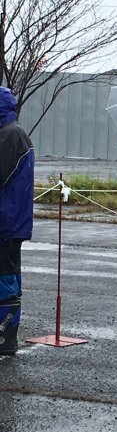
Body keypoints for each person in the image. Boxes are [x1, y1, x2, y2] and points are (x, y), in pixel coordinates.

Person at [0, 86, 35, 356]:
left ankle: (5, 338)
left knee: (5, 280)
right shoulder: (12, 132)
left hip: (6, 222)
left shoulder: (9, 135)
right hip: (9, 221)